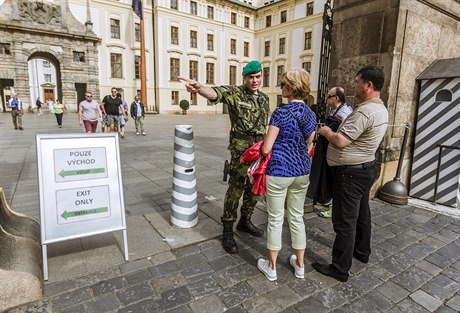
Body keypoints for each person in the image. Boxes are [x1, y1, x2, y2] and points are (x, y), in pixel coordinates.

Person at [179, 60, 270, 254]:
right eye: (251, 77)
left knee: (255, 189)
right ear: (244, 78)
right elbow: (215, 94)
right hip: (241, 152)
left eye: (258, 77)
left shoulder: (264, 98)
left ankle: (245, 220)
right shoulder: (234, 93)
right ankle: (227, 229)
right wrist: (198, 88)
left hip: (259, 151)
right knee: (235, 190)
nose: (255, 81)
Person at [312, 65, 389, 282]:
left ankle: (339, 268)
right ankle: (361, 252)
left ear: (368, 85)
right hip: (366, 169)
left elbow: (341, 141)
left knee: (344, 221)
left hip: (350, 174)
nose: (354, 85)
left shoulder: (364, 111)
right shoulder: (380, 108)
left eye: (357, 81)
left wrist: (327, 131)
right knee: (362, 214)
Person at [257, 68, 316, 281]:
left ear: (291, 88)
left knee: (275, 218)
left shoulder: (280, 112)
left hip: (280, 170)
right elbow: (309, 141)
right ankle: (300, 265)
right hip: (302, 170)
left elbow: (266, 148)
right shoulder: (311, 113)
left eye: (283, 84)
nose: (281, 87)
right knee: (297, 217)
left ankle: (271, 267)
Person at [315, 87, 352, 218]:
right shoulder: (334, 109)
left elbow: (343, 134)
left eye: (329, 96)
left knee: (337, 182)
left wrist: (326, 132)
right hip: (333, 152)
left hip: (340, 154)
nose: (326, 98)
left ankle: (334, 209)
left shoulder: (344, 113)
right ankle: (330, 202)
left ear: (336, 98)